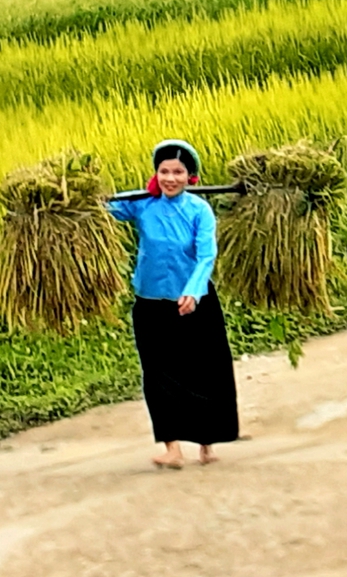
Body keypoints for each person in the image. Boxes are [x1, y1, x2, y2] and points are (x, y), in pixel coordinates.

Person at [105, 139, 239, 469]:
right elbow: (104, 208)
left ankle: (206, 444)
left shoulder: (199, 211)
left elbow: (207, 255)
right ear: (156, 173)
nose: (170, 178)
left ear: (190, 176)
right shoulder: (141, 204)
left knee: (203, 371)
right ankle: (172, 448)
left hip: (195, 303)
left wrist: (193, 292)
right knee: (158, 374)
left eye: (178, 172)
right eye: (164, 171)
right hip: (151, 302)